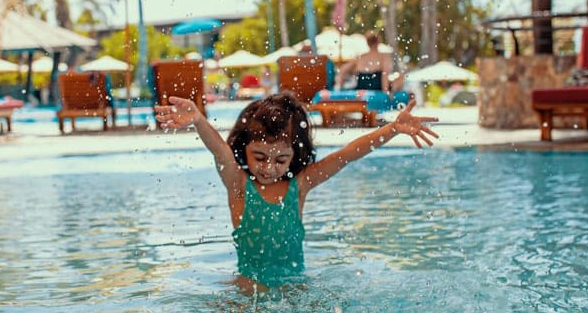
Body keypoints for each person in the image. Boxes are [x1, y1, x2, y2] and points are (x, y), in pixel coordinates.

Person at [154, 91, 438, 293]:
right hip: (247, 291)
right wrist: (200, 121)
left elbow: (348, 154)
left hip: (295, 289)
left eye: (280, 160)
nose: (269, 167)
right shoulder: (239, 187)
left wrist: (392, 129)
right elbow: (220, 151)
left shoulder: (299, 186)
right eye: (260, 156)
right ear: (245, 150)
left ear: (295, 156)